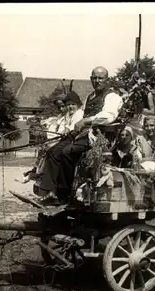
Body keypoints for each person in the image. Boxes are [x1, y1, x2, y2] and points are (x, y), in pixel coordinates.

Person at [52, 66, 124, 204]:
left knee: (68, 151)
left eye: (100, 78)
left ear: (107, 79)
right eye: (94, 78)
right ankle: (50, 190)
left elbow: (109, 116)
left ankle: (65, 194)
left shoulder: (112, 96)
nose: (97, 81)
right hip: (85, 134)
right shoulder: (90, 97)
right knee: (56, 149)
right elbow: (81, 113)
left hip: (100, 137)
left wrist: (87, 120)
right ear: (91, 79)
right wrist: (72, 127)